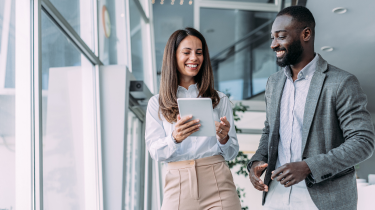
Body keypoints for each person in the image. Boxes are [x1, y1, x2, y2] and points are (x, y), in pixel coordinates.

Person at [247, 6, 375, 210]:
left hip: (324, 199)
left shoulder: (341, 82)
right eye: (272, 38)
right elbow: (269, 131)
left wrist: (308, 167)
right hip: (275, 197)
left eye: (280, 37)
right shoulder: (273, 83)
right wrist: (256, 162)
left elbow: (363, 143)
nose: (273, 45)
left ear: (306, 34)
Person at [145, 27, 241, 210]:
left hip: (218, 181)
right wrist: (175, 138)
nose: (194, 58)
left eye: (199, 53)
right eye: (186, 52)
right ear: (173, 56)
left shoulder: (220, 100)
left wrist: (224, 138)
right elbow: (155, 152)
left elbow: (231, 153)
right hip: (178, 184)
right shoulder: (157, 103)